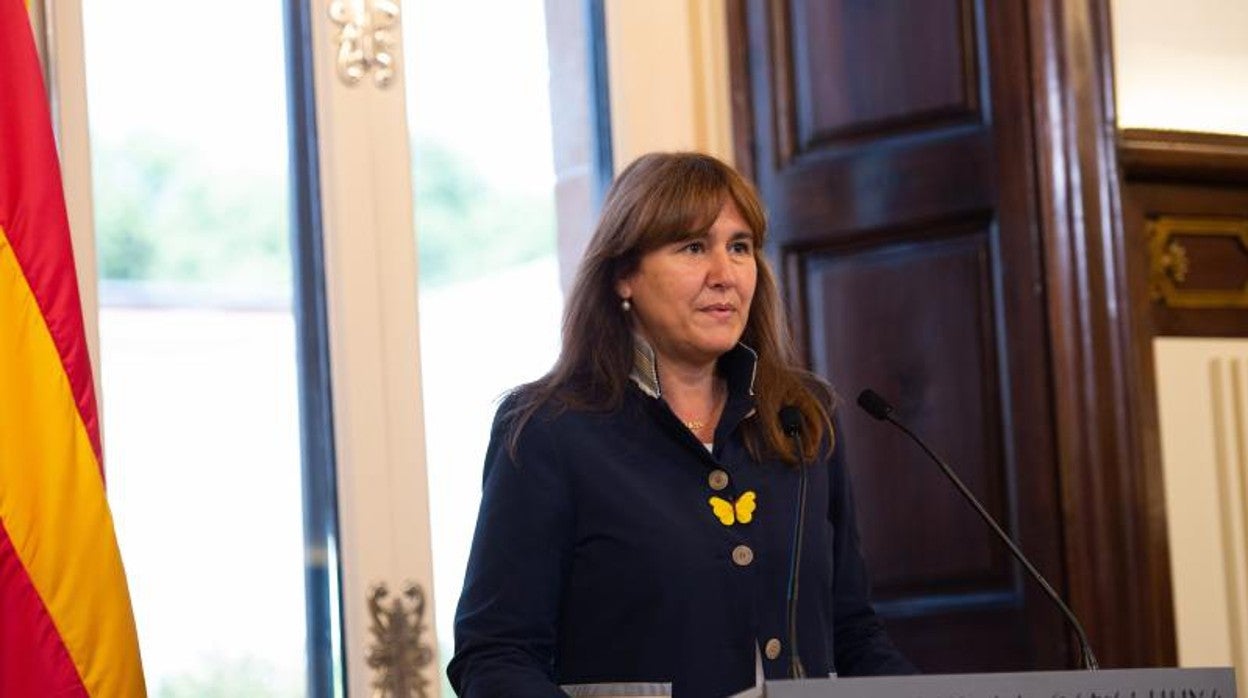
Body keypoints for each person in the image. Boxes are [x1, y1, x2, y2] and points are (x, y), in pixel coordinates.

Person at [447, 152, 913, 697]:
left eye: (739, 248)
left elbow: (852, 635)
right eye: (693, 247)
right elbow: (496, 655)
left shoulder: (802, 417)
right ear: (624, 276)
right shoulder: (548, 430)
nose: (725, 275)